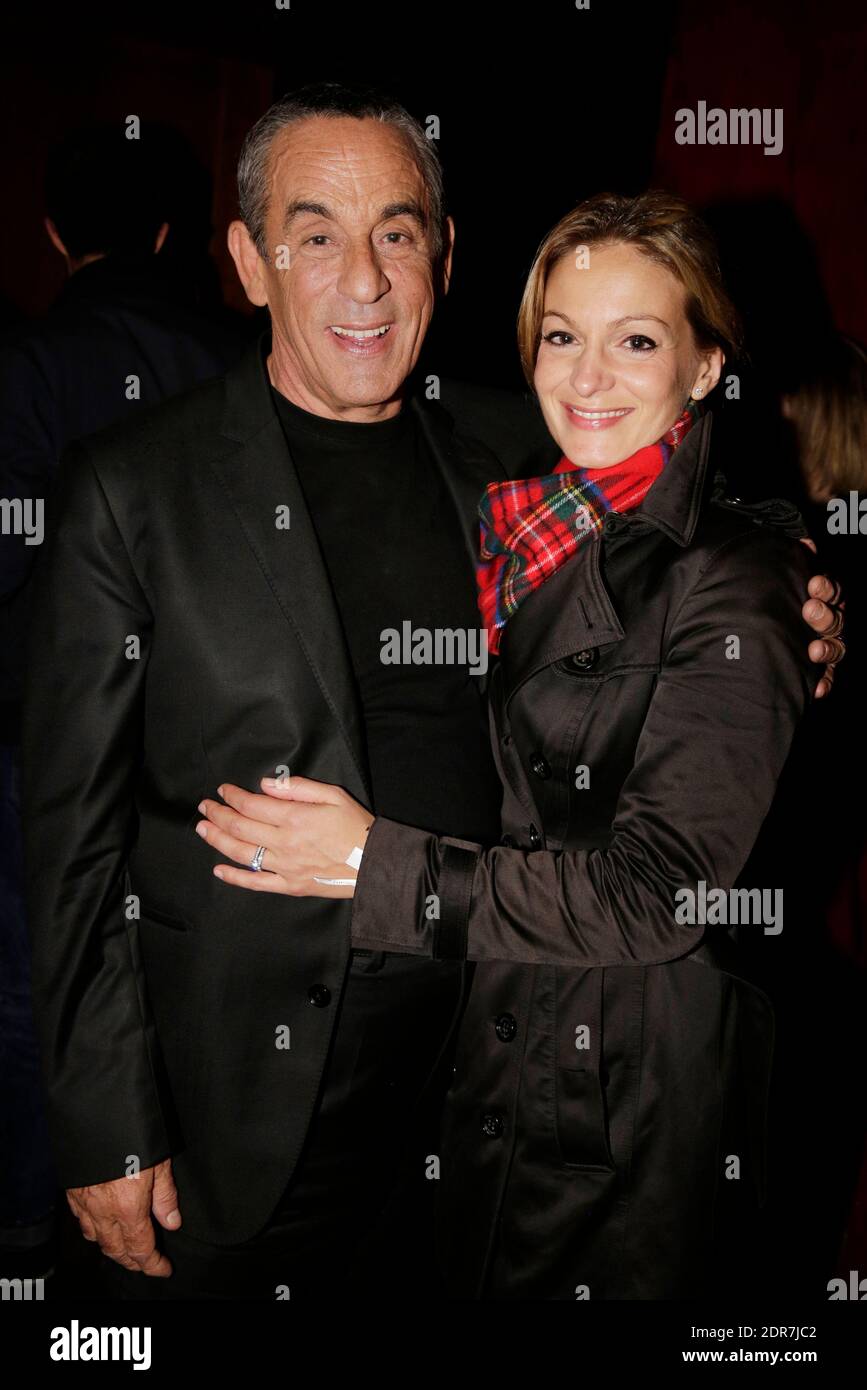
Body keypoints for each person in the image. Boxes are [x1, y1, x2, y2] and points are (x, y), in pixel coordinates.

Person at [20, 87, 841, 1301]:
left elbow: (681, 481)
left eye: (397, 233)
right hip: (231, 1111)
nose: (364, 280)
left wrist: (798, 578)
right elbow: (69, 835)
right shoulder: (131, 488)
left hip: (472, 1097)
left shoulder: (507, 456)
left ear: (445, 257)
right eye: (315, 235)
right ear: (249, 262)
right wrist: (104, 1120)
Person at [0, 121, 247, 1285]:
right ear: (173, 234)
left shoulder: (31, 368)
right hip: (216, 767)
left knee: (30, 985)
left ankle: (30, 1240)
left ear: (55, 236)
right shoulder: (248, 363)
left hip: (36, 762)